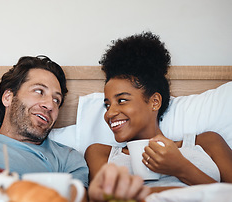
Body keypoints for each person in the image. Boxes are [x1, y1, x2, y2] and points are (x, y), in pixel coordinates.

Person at [0, 42, 149, 202]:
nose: (50, 104)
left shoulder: (66, 158)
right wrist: (1, 106)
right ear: (8, 96)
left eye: (56, 100)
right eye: (39, 92)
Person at [85, 32, 232, 187]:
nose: (110, 113)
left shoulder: (207, 143)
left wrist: (181, 168)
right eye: (107, 105)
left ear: (154, 102)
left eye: (122, 100)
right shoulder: (101, 154)